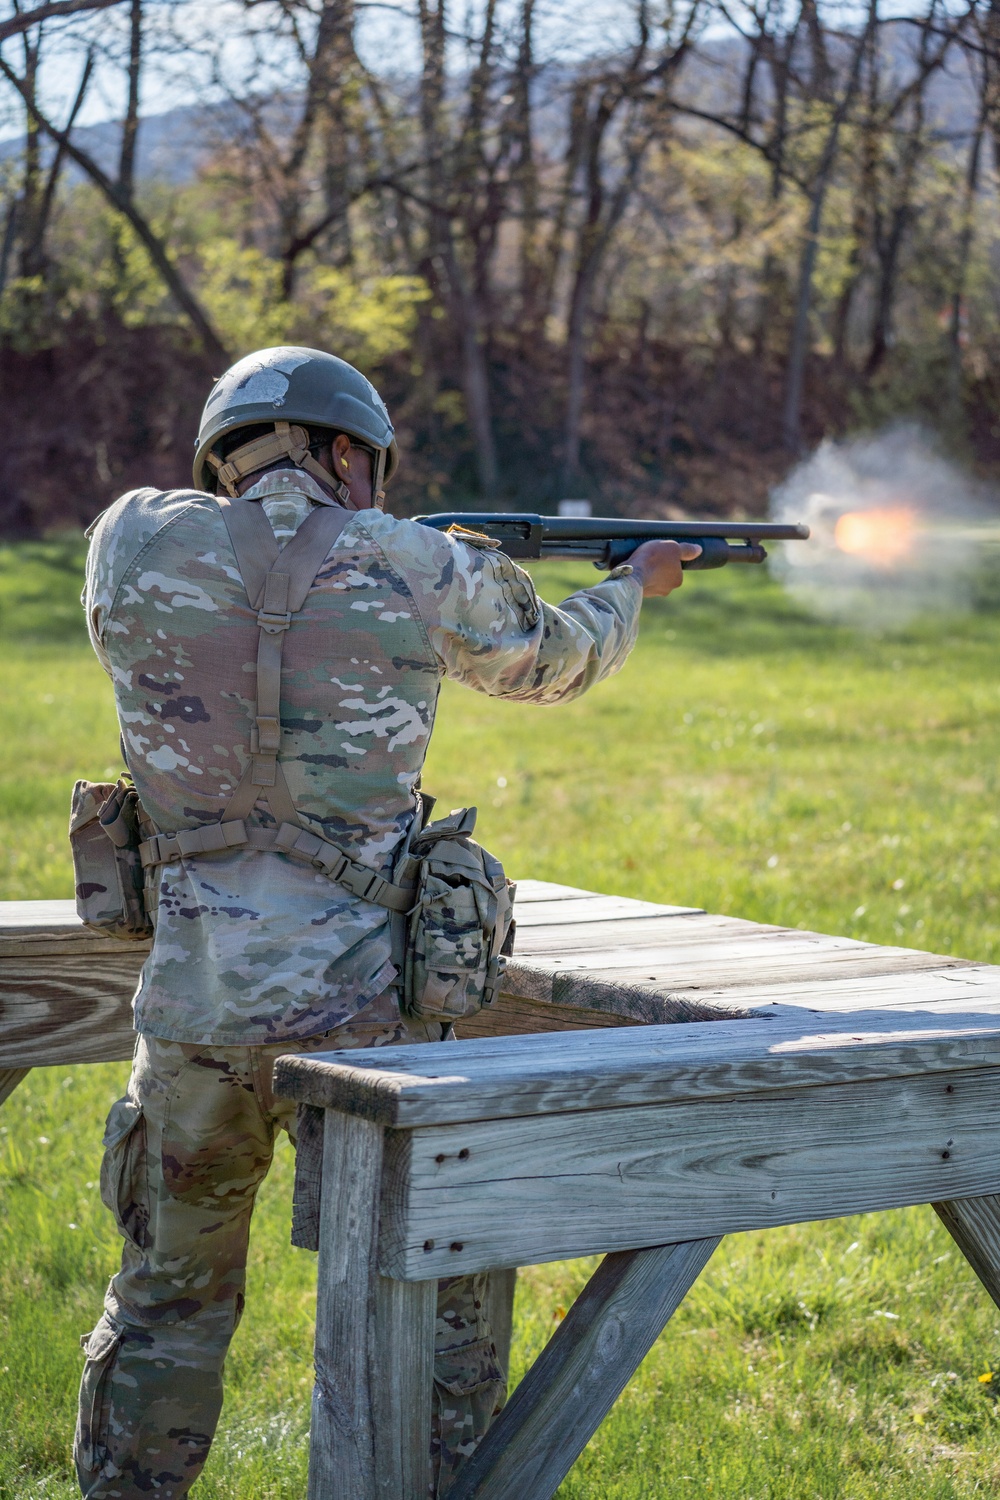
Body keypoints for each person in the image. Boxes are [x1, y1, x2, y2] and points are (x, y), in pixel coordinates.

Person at [75, 345, 700, 1499]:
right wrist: (631, 587)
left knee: (163, 1305)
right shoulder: (421, 563)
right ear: (347, 453)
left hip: (194, 1006)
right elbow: (554, 661)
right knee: (421, 1307)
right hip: (367, 1022)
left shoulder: (129, 541)